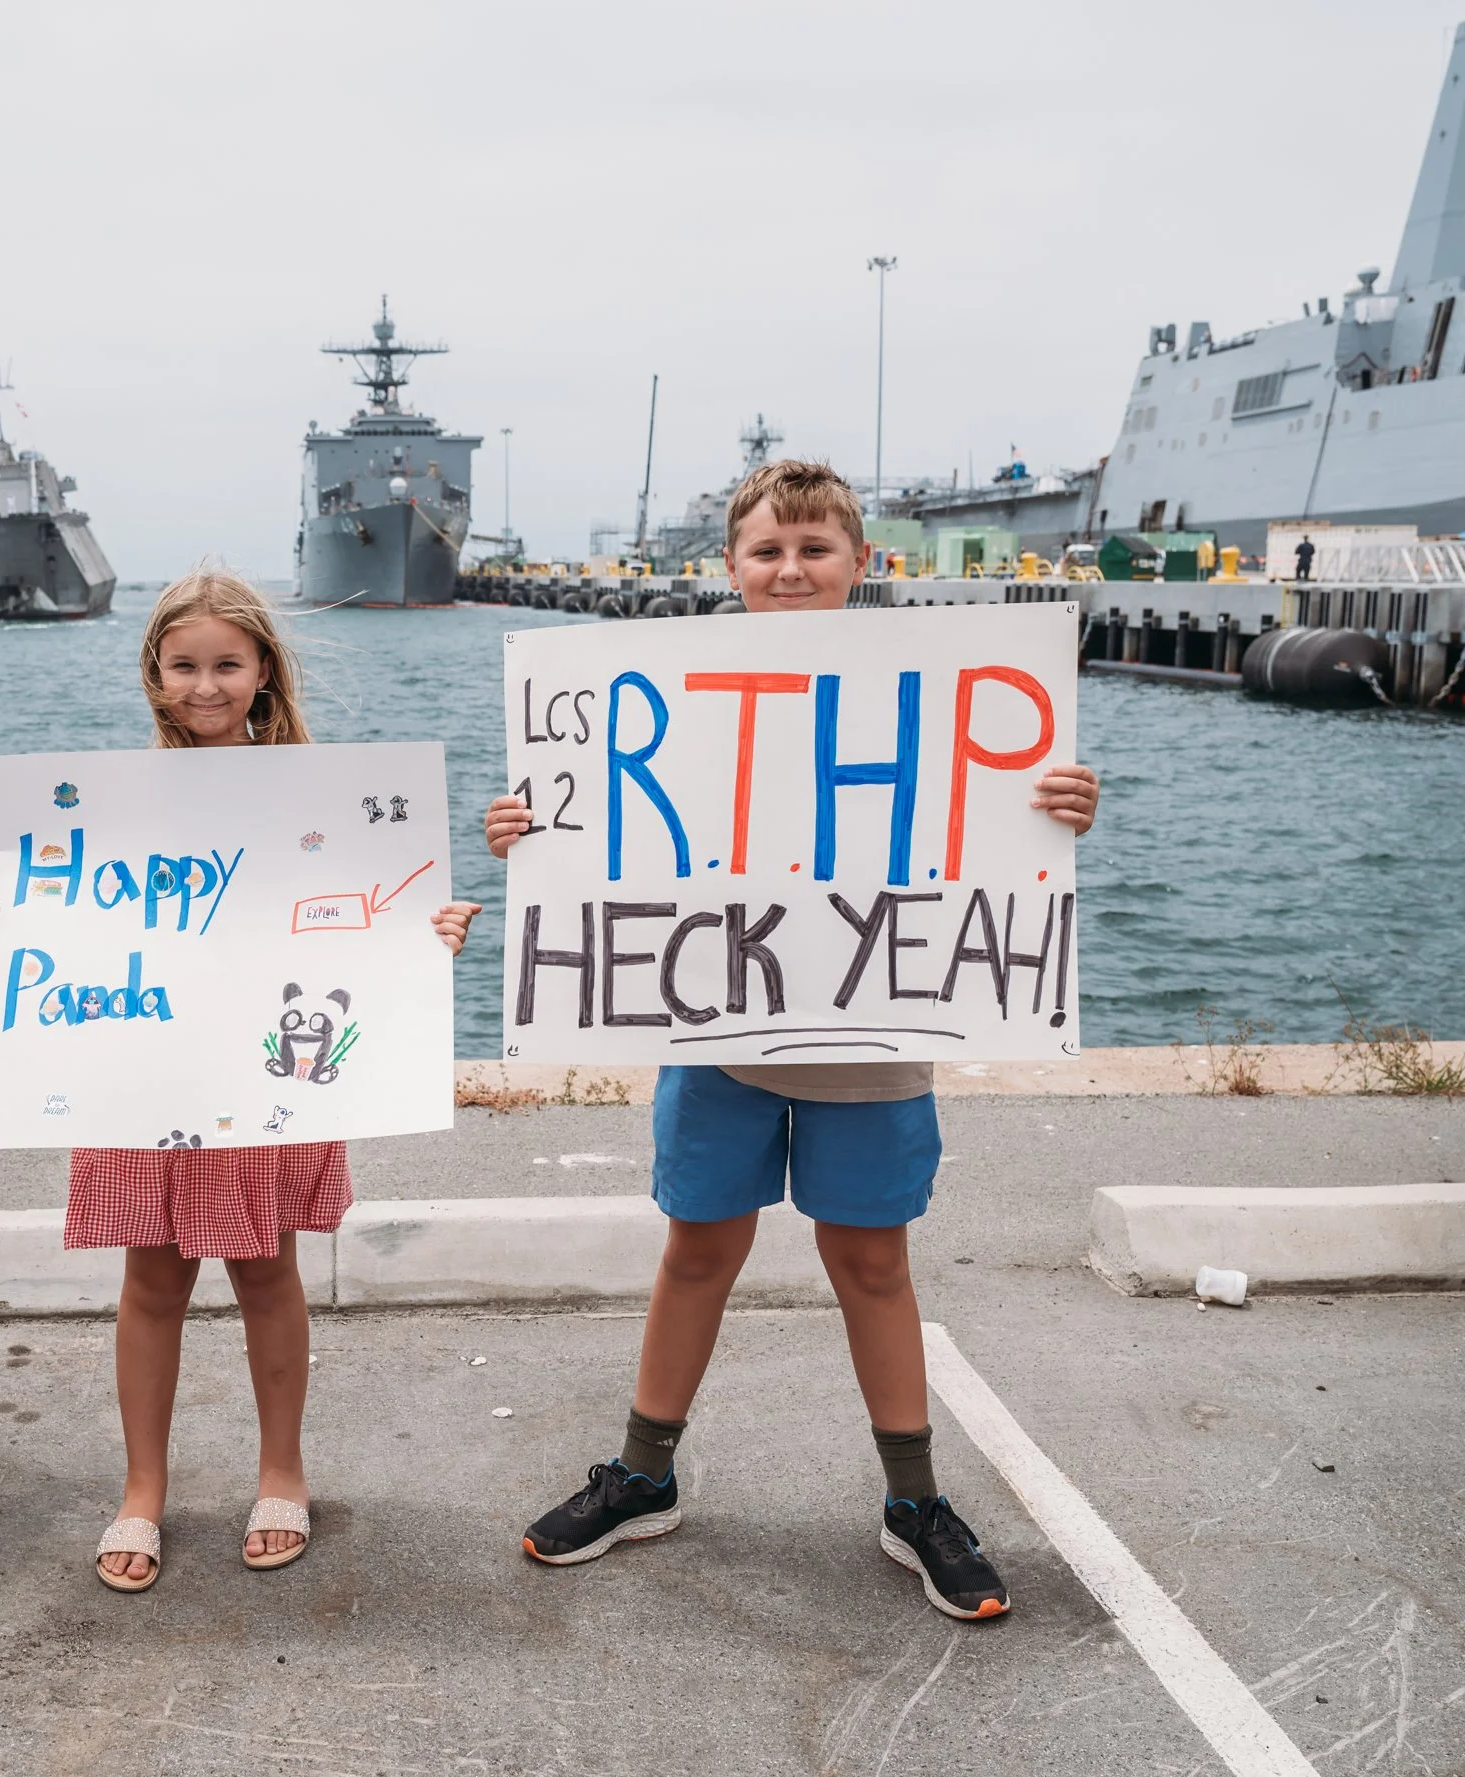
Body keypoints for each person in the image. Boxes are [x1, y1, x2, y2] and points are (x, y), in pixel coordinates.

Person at [485, 461, 1100, 1622]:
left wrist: (1060, 804)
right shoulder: (665, 683)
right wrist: (529, 825)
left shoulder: (927, 680)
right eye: (767, 550)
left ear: (861, 563)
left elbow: (991, 810)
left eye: (816, 548)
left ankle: (913, 1501)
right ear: (730, 567)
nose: (790, 568)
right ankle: (643, 1471)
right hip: (713, 1033)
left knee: (872, 1263)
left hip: (872, 1036)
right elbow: (595, 820)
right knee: (696, 1252)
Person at [83, 570, 480, 1593]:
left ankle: (282, 1471)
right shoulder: (105, 797)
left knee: (267, 1269)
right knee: (152, 1278)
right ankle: (141, 1488)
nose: (206, 684)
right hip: (150, 1068)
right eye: (185, 665)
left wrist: (427, 930)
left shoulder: (319, 792)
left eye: (227, 663)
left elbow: (366, 911)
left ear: (263, 671)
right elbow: (66, 917)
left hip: (268, 1071)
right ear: (154, 675)